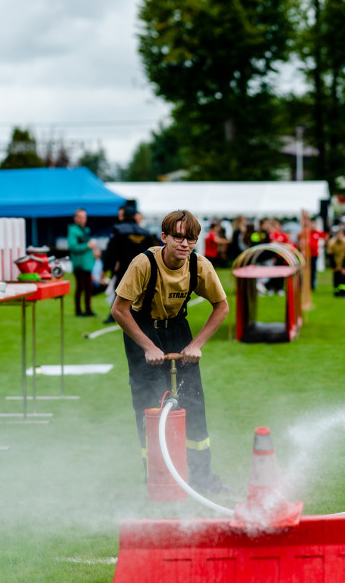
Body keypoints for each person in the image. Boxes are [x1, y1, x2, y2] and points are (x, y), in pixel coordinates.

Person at [111, 210, 231, 492]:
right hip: (143, 331)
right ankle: (158, 480)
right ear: (163, 237)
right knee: (153, 407)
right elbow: (119, 310)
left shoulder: (199, 266)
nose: (184, 243)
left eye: (191, 238)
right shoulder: (144, 264)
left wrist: (196, 344)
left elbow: (222, 306)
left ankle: (202, 478)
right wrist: (149, 346)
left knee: (193, 404)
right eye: (178, 237)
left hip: (178, 329)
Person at [102, 204, 158, 323]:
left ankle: (114, 315)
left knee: (119, 290)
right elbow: (152, 251)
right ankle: (138, 314)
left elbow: (111, 250)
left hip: (124, 266)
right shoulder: (145, 232)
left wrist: (106, 268)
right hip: (142, 267)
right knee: (141, 291)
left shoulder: (118, 229)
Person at [67, 208, 98, 317]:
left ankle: (88, 310)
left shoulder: (86, 230)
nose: (82, 219)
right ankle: (79, 310)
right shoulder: (73, 231)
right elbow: (72, 246)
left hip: (88, 263)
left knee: (89, 287)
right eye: (80, 217)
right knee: (81, 287)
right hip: (79, 264)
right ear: (75, 218)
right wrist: (87, 246)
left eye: (84, 217)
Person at [296, 213, 326, 290]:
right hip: (306, 254)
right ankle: (303, 284)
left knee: (313, 270)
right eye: (312, 225)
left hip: (314, 254)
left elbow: (325, 237)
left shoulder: (317, 233)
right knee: (304, 270)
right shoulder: (305, 233)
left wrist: (322, 245)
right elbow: (299, 238)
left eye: (314, 225)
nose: (313, 226)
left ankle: (312, 285)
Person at [325, 226, 345, 292]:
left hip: (344, 262)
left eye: (341, 234)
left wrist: (344, 266)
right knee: (336, 276)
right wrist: (334, 266)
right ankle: (336, 290)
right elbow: (330, 254)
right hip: (336, 261)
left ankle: (343, 291)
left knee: (343, 276)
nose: (339, 236)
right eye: (338, 234)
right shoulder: (332, 242)